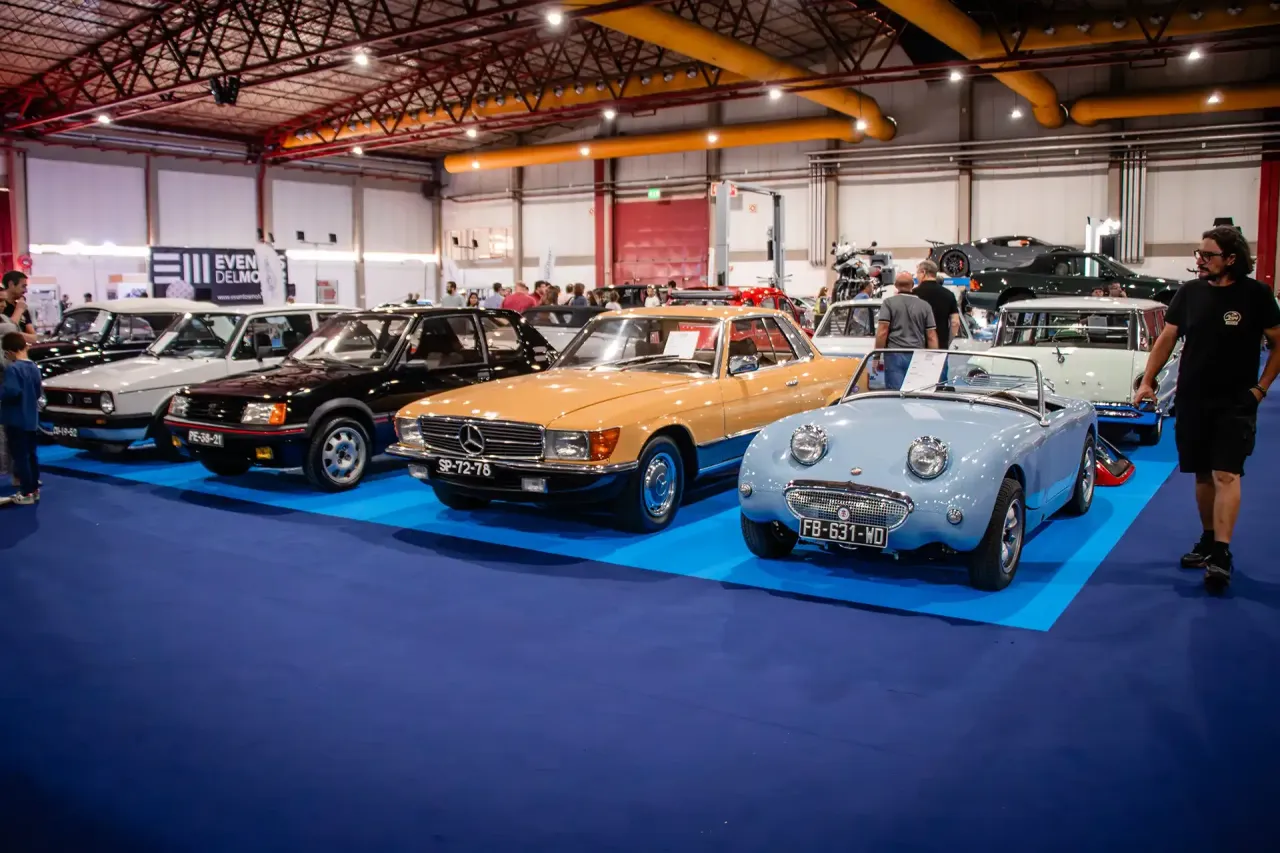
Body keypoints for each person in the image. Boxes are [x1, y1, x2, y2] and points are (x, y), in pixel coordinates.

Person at [1134, 226, 1280, 592]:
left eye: (1208, 255)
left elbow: (1279, 344)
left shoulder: (1257, 295)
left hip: (1236, 402)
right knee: (1202, 474)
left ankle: (1222, 555)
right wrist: (1148, 381)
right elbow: (1167, 338)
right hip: (1192, 399)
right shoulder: (1189, 293)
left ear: (1231, 259)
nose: (1199, 260)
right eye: (1199, 253)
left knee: (1226, 474)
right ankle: (1210, 539)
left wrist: (1260, 389)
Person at [874, 270, 938, 389]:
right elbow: (931, 336)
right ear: (912, 285)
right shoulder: (925, 306)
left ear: (896, 285)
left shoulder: (888, 303)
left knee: (896, 394)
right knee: (915, 392)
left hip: (893, 355)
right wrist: (933, 360)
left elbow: (882, 331)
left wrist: (876, 356)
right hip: (917, 355)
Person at [1, 331, 42, 505]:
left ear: (9, 352)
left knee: (20, 457)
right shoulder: (34, 367)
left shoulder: (13, 369)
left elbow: (11, 391)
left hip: (15, 419)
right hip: (31, 419)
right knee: (31, 455)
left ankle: (26, 492)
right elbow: (38, 392)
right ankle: (34, 489)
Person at [912, 260, 960, 350]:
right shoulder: (949, 294)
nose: (917, 277)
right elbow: (955, 323)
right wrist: (946, 342)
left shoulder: (913, 294)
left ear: (923, 272)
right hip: (940, 347)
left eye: (917, 273)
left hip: (917, 346)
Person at [2, 271, 37, 344]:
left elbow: (34, 338)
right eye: (23, 286)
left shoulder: (22, 308)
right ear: (11, 284)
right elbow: (7, 332)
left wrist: (15, 333)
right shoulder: (2, 308)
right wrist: (18, 310)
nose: (25, 290)